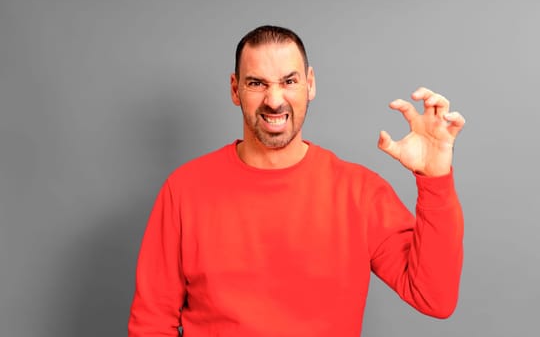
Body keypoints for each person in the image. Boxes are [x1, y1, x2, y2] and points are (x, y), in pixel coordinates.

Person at [128, 25, 466, 337]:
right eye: (256, 83)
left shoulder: (359, 192)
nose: (274, 100)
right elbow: (152, 322)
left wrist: (435, 178)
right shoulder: (185, 190)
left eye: (289, 81)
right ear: (235, 89)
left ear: (310, 84)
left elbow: (433, 298)